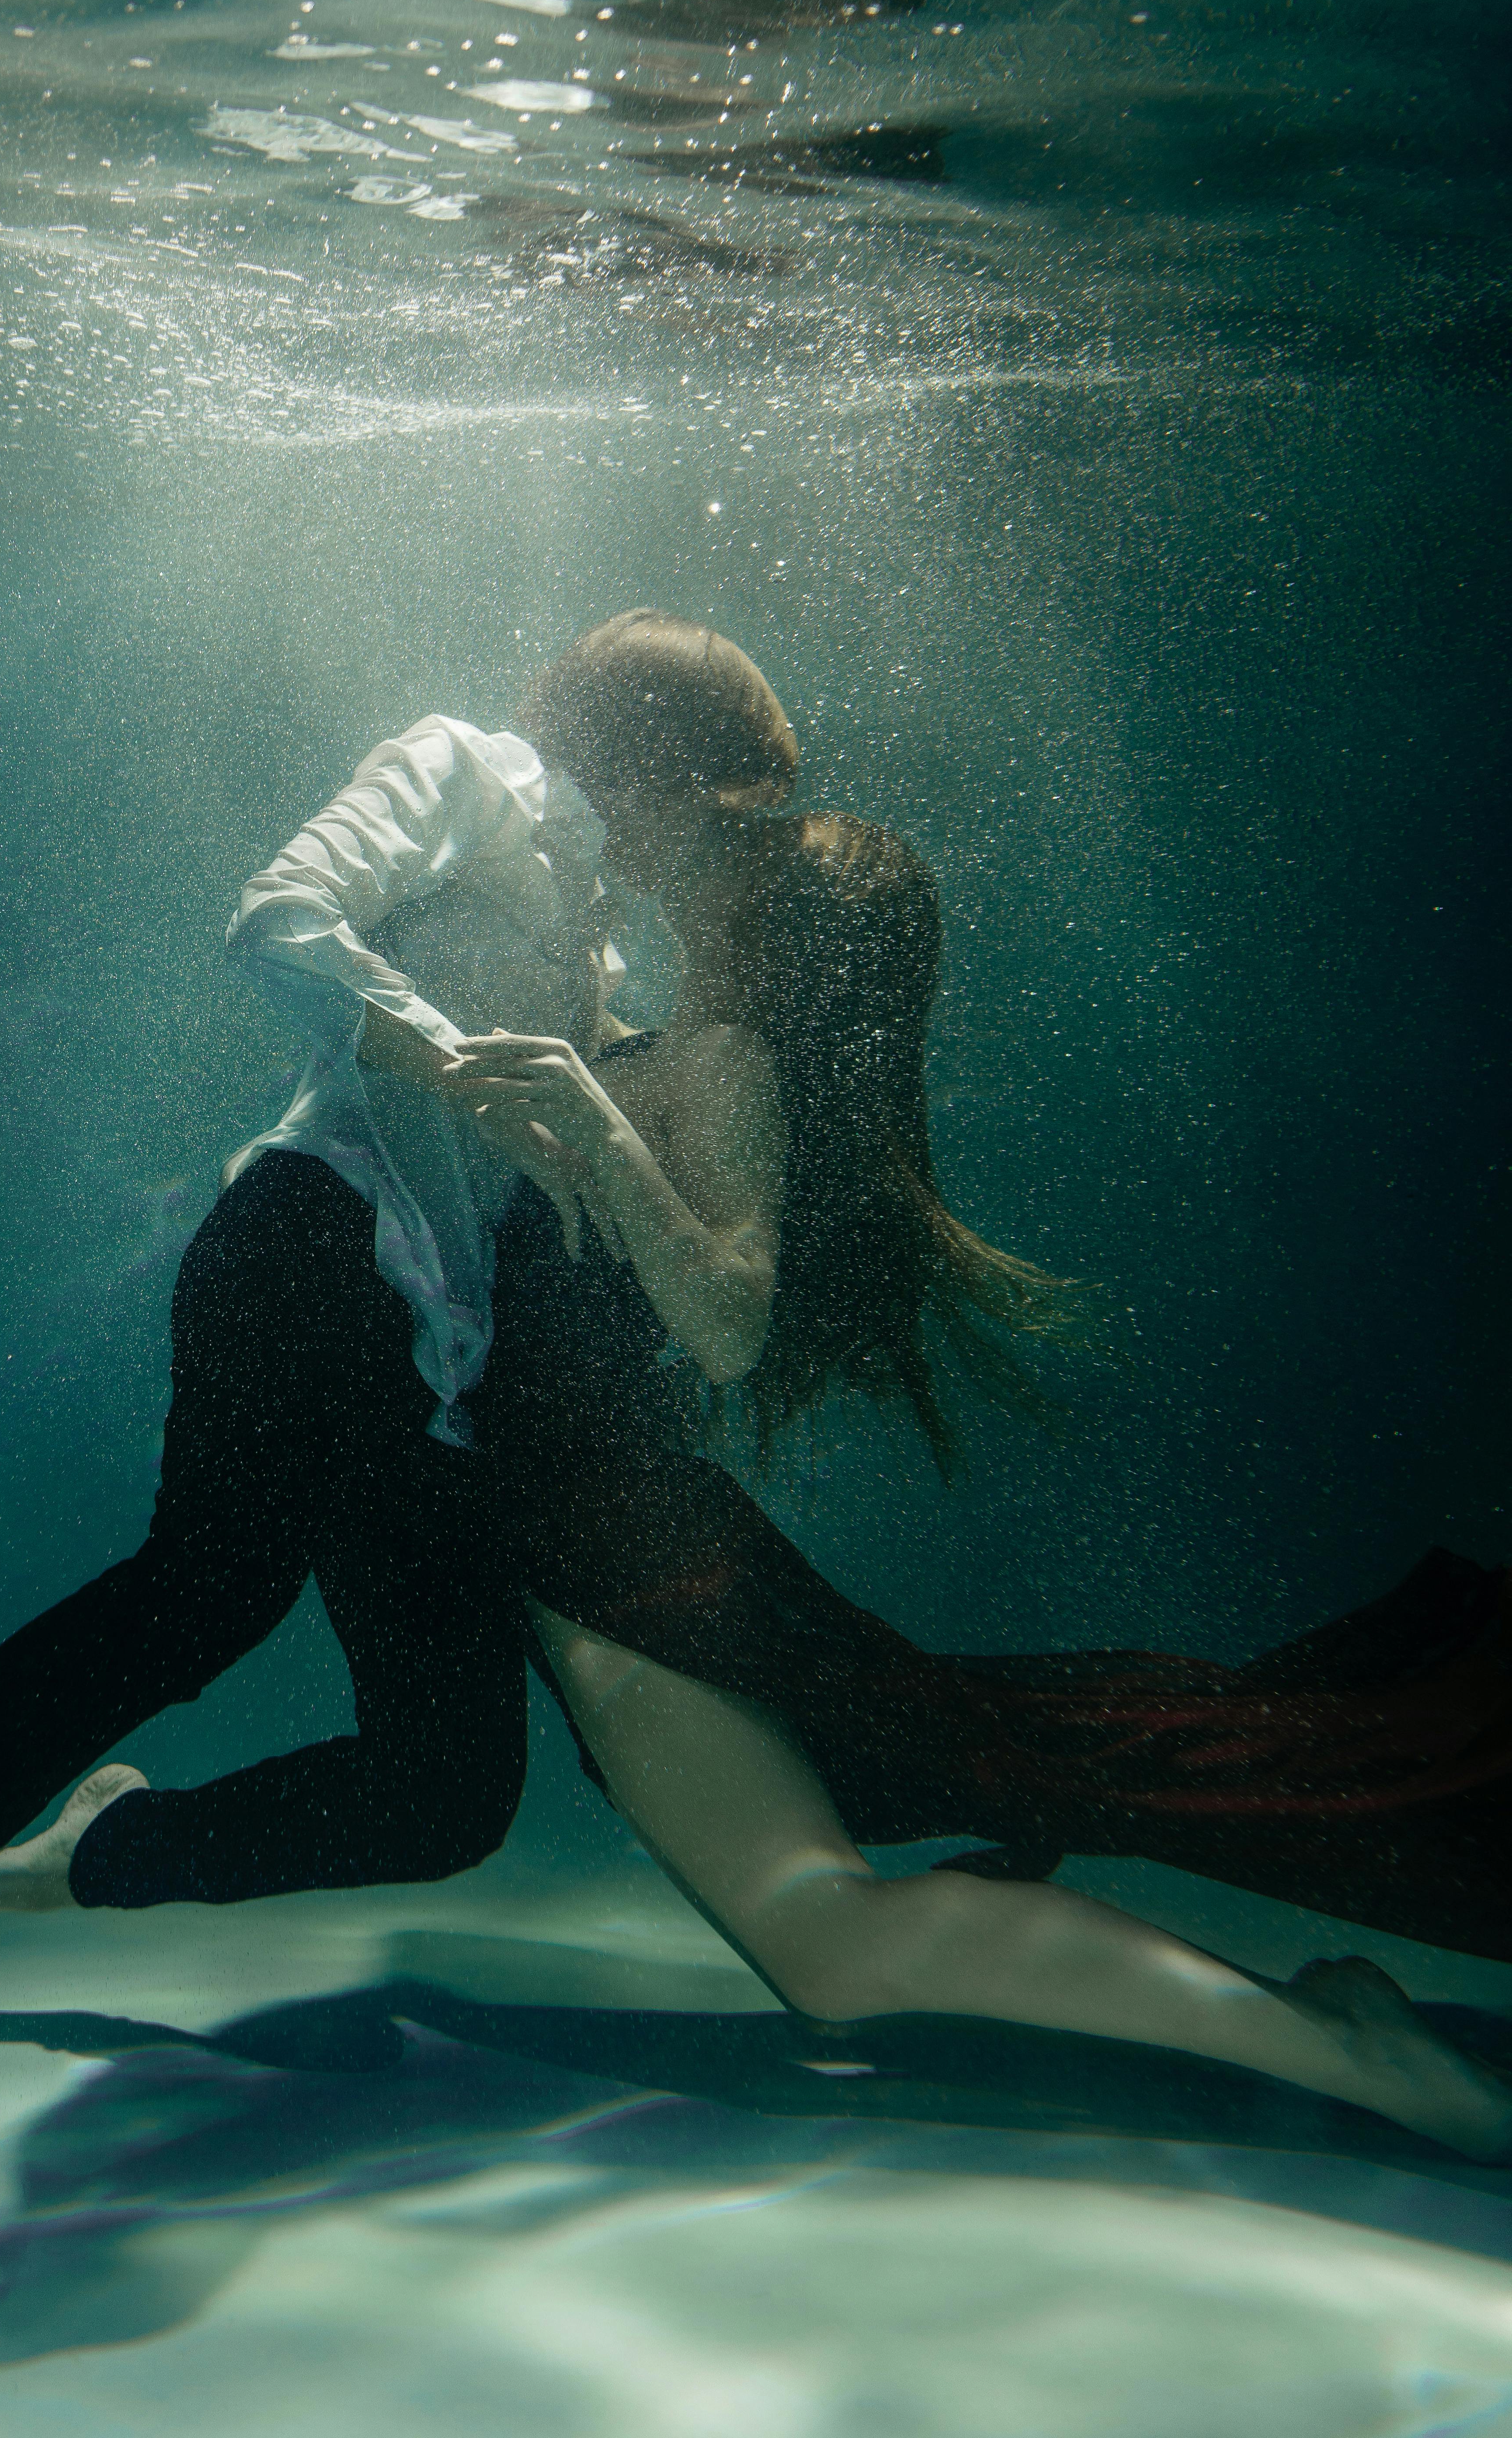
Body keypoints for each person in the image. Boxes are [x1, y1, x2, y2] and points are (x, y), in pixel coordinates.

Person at [0, 612, 799, 2146]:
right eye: (724, 810)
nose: (718, 851)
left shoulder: (601, 940)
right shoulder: (469, 772)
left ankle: (105, 1849)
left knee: (447, 1793)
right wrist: (449, 1057)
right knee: (197, 1595)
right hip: (310, 1249)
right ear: (661, 764)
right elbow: (280, 914)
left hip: (427, 1349)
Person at [436, 808, 1512, 2159]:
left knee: (828, 1944)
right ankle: (1337, 2042)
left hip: (608, 1543)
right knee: (852, 1911)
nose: (662, 878)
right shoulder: (691, 1056)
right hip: (619, 1524)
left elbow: (723, 1320)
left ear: (758, 934)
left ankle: (1349, 2057)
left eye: (709, 872)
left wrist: (586, 1111)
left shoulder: (713, 1066)